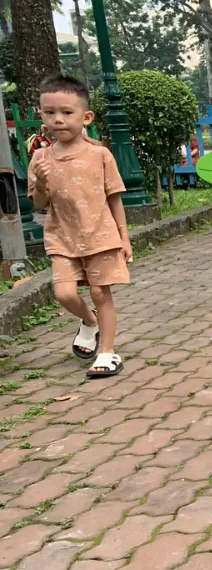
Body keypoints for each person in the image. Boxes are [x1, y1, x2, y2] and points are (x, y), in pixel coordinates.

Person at [28, 74, 133, 379]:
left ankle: (107, 352)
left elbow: (114, 197)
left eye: (66, 112)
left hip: (101, 235)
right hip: (61, 237)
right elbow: (38, 203)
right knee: (64, 294)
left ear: (86, 117)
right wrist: (42, 182)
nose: (58, 119)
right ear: (41, 114)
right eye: (50, 112)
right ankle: (89, 321)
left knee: (101, 293)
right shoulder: (40, 158)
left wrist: (124, 237)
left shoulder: (100, 154)